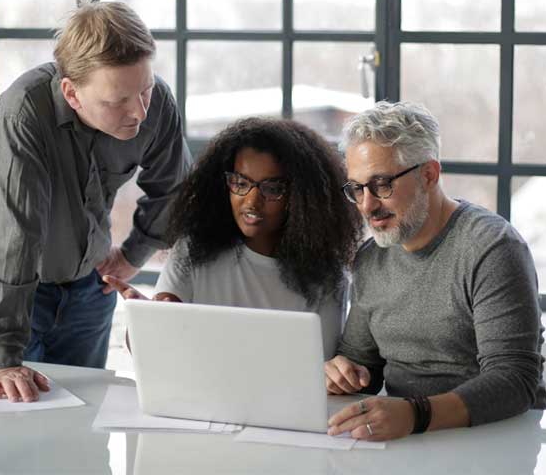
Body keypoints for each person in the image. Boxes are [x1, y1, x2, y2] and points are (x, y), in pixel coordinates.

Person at [0, 0, 192, 403]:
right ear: (72, 93)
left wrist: (135, 253)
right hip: (2, 279)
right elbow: (14, 235)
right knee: (14, 429)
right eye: (116, 101)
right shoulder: (22, 114)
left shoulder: (154, 101)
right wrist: (4, 354)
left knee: (84, 422)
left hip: (88, 281)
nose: (138, 111)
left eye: (145, 90)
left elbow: (174, 187)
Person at [324, 101, 546, 441]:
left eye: (382, 184)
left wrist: (415, 414)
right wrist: (343, 373)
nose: (367, 205)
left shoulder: (491, 248)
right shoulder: (371, 258)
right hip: (412, 436)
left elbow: (514, 380)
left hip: (500, 436)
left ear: (428, 174)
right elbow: (361, 364)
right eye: (357, 188)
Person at [113, 117, 361, 358]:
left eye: (272, 188)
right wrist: (144, 321)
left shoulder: (327, 275)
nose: (252, 202)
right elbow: (151, 349)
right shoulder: (193, 250)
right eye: (240, 183)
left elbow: (323, 370)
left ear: (301, 197)